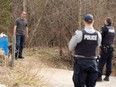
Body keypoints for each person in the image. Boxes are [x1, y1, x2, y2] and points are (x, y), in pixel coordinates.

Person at [68, 14, 102, 87]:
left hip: (80, 62)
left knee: (79, 84)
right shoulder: (98, 34)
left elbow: (70, 47)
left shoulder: (79, 33)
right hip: (93, 63)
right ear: (93, 22)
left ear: (84, 21)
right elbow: (97, 45)